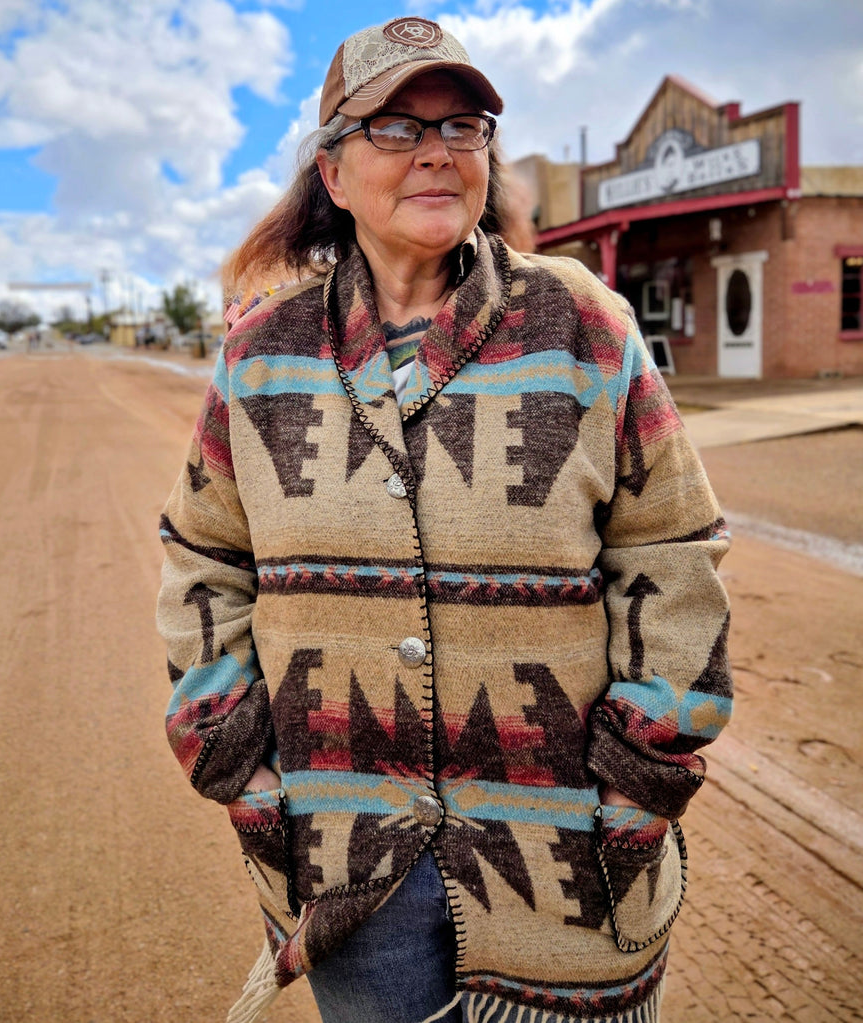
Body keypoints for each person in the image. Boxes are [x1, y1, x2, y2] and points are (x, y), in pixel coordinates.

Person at [157, 17, 732, 1023]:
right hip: (345, 859)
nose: (436, 150)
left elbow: (671, 545)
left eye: (462, 126)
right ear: (331, 174)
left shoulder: (581, 324)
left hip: (567, 863)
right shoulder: (261, 357)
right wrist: (233, 752)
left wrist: (641, 773)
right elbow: (206, 555)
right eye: (393, 128)